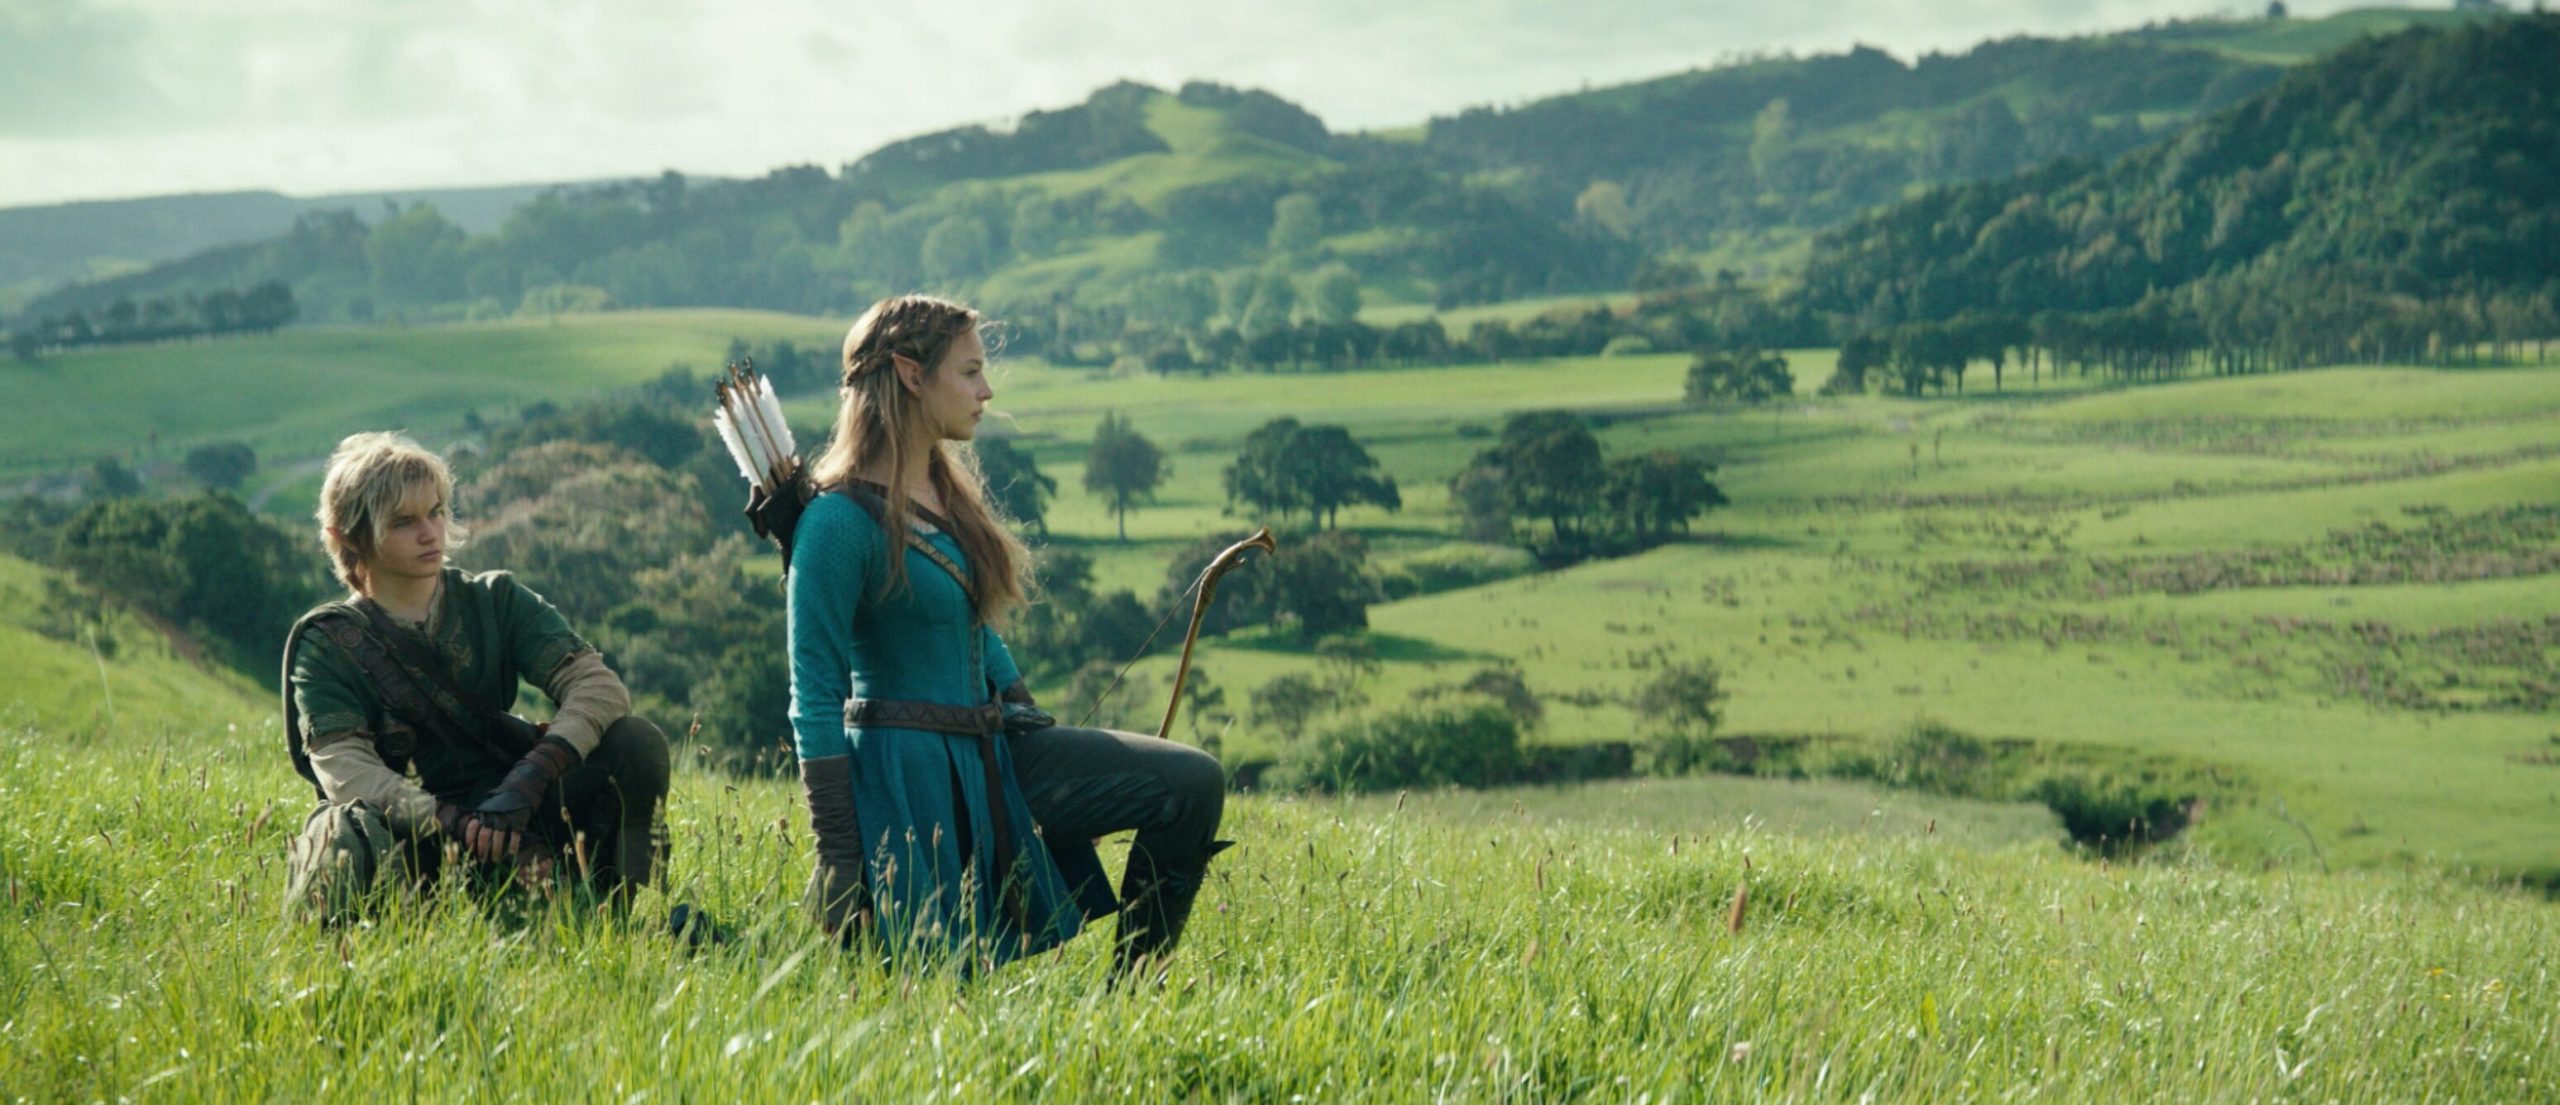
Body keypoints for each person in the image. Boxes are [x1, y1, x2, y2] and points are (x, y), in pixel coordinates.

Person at [788, 294, 1228, 974]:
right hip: (907, 779)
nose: (986, 391)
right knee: (929, 988)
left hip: (991, 753)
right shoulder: (836, 523)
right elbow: (813, 695)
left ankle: (1136, 996)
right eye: (969, 372)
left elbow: (969, 625)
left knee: (1190, 784)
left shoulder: (941, 497)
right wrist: (839, 852)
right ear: (910, 374)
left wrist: (1026, 715)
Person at [279, 432, 680, 931]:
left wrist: (529, 781)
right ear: (349, 537)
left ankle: (607, 911)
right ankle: (365, 948)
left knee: (634, 742)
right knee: (343, 827)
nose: (430, 532)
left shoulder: (496, 600)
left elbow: (598, 687)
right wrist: (456, 823)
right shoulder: (326, 643)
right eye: (403, 522)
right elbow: (346, 771)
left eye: (436, 512)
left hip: (518, 814)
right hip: (414, 840)